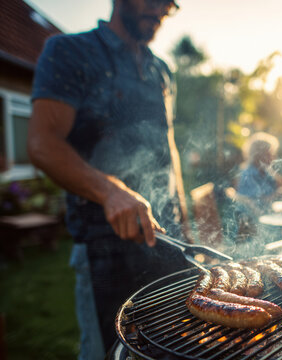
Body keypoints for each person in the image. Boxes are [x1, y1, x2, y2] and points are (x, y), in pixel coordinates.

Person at [27, 1, 189, 358]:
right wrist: (110, 190)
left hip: (167, 243)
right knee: (109, 353)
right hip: (104, 248)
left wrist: (186, 223)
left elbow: (168, 148)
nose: (161, 9)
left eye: (169, 4)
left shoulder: (162, 70)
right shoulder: (70, 51)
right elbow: (42, 143)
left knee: (171, 349)